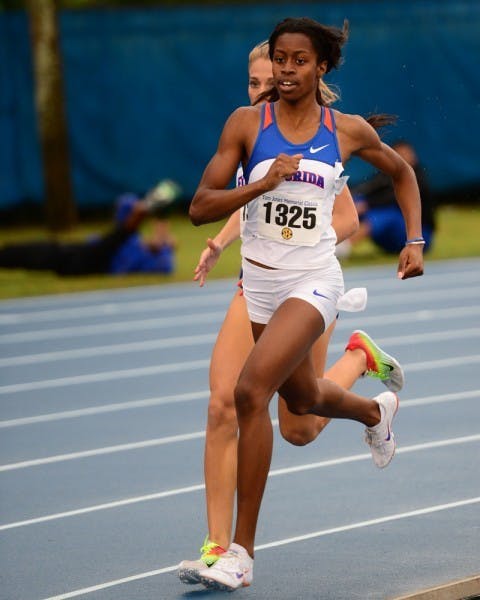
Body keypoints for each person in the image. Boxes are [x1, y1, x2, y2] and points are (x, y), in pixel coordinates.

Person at [178, 32, 415, 589]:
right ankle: (374, 411)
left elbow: (361, 205)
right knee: (278, 410)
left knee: (260, 403)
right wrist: (235, 223)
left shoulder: (334, 134)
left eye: (288, 68)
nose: (274, 82)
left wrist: (412, 240)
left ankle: (239, 550)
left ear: (316, 71)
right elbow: (216, 202)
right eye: (262, 76)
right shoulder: (244, 127)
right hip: (256, 283)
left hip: (309, 284)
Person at [0, 180, 180, 276]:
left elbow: (134, 225)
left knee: (41, 253)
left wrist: (156, 212)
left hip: (83, 260)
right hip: (85, 253)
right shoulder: (130, 243)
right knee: (38, 250)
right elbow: (137, 226)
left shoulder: (130, 247)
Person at [339, 140, 435, 256]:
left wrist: (367, 205)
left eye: (407, 154)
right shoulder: (385, 175)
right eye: (399, 155)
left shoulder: (418, 178)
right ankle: (327, 239)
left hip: (418, 237)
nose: (403, 158)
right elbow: (366, 189)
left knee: (383, 216)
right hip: (388, 239)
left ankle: (341, 249)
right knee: (356, 201)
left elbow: (392, 198)